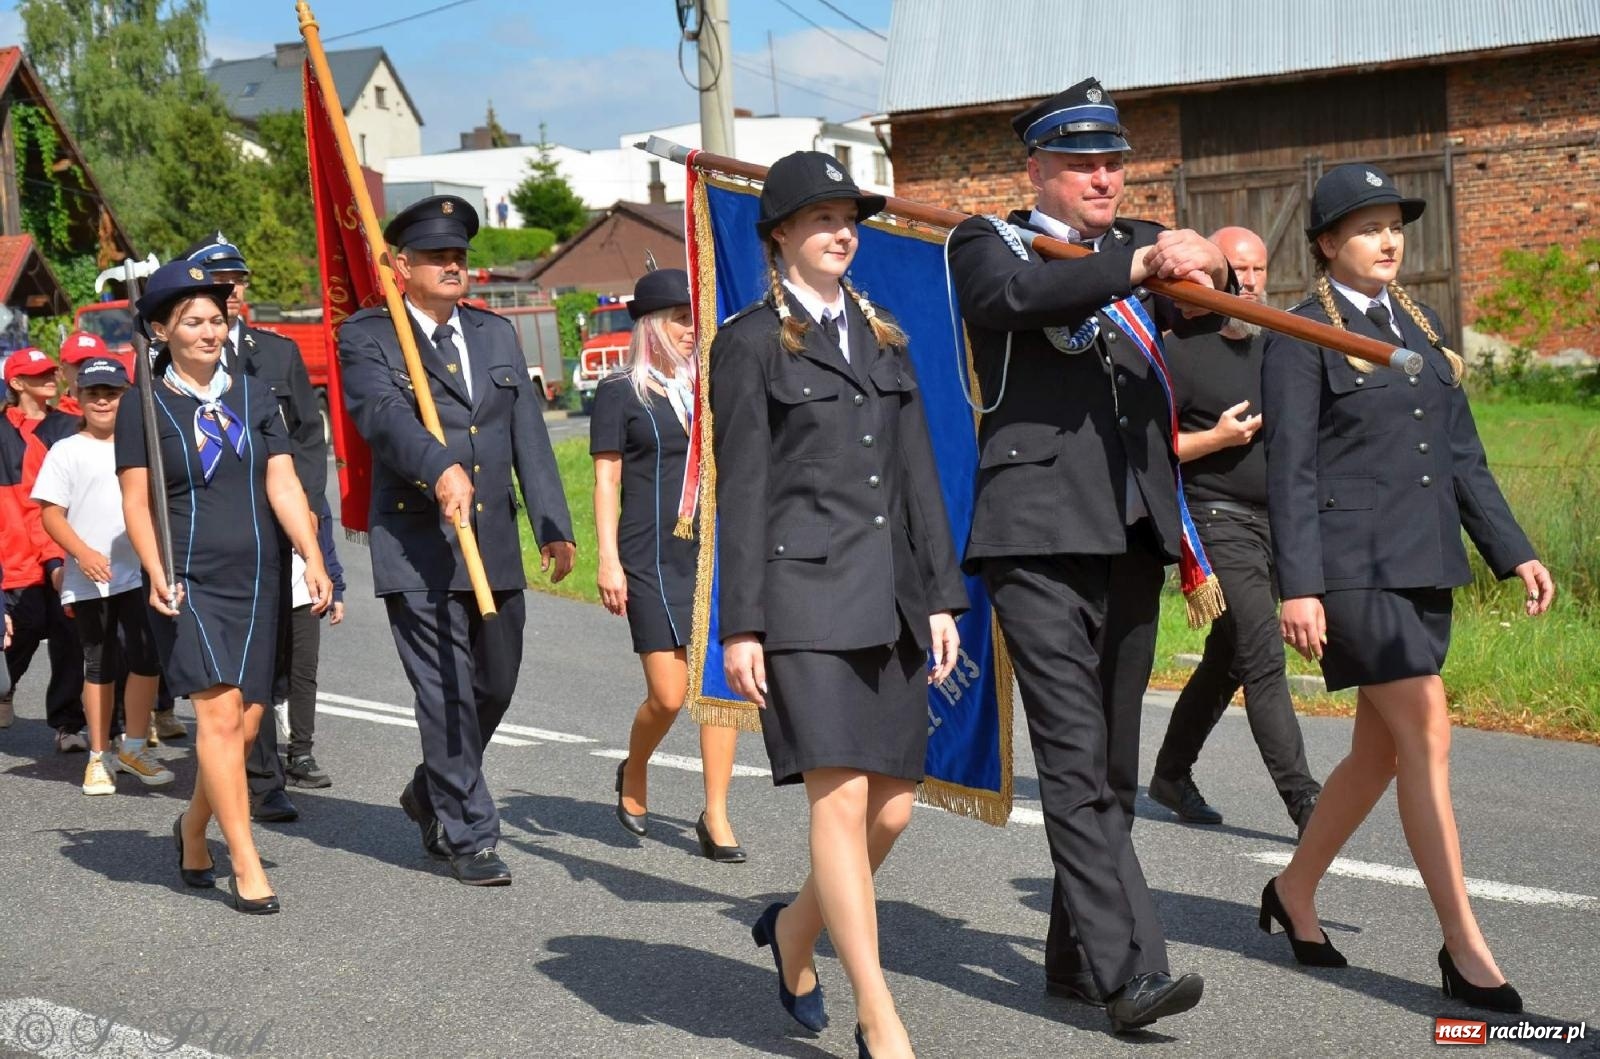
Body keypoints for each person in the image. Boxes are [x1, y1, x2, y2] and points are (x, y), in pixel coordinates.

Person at [946, 77, 1231, 1032]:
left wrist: (1210, 267)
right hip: (1033, 536)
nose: (1104, 176)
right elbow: (1015, 297)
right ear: (1037, 169)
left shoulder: (1137, 242)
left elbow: (1205, 300)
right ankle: (1131, 974)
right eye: (1082, 163)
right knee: (1071, 761)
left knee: (1110, 767)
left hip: (1132, 533)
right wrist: (1141, 260)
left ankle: (1071, 961)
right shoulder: (986, 240)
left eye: (1114, 161)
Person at [1258, 164, 1554, 1011]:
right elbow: (1291, 468)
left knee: (1376, 753)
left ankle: (1293, 890)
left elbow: (1462, 457)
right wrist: (1299, 586)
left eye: (1394, 224)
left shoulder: (1418, 329)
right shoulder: (1299, 331)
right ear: (1325, 245)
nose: (1387, 239)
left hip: (1422, 568)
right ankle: (1465, 946)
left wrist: (1514, 551)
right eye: (1365, 226)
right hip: (1352, 574)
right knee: (1425, 726)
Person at [711, 151, 967, 1059]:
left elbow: (918, 478)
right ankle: (877, 1012)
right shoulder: (746, 342)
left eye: (848, 216)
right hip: (803, 600)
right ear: (779, 233)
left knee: (891, 808)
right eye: (819, 217)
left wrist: (941, 597)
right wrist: (740, 623)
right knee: (842, 796)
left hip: (891, 597)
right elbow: (739, 491)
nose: (840, 230)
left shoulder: (885, 335)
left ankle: (791, 932)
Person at [339, 195, 576, 887]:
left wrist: (552, 524)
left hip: (492, 540)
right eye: (438, 255)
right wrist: (436, 464)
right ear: (400, 265)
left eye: (460, 255)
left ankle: (431, 787)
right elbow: (378, 413)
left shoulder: (494, 335)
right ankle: (468, 831)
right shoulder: (370, 336)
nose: (453, 265)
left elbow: (525, 430)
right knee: (444, 690)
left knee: (494, 681)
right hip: (418, 541)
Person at [117, 260, 331, 914]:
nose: (210, 330)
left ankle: (191, 825)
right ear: (161, 330)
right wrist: (155, 569)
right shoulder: (143, 405)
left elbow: (283, 482)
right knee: (215, 712)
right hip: (187, 577)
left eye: (216, 318)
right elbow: (136, 501)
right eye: (193, 321)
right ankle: (242, 858)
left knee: (246, 719)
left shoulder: (254, 394)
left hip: (260, 573)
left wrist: (313, 555)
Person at [1148, 226, 1322, 836]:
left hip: (1277, 520)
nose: (1244, 282)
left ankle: (1170, 773)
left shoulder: (1278, 343)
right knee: (1261, 657)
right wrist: (1216, 439)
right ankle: (1307, 802)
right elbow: (1146, 447)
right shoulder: (1172, 350)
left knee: (1226, 659)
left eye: (1256, 271)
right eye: (1232, 271)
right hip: (1215, 520)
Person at [592, 268, 742, 860]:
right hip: (649, 553)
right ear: (653, 325)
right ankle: (635, 768)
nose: (691, 330)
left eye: (695, 318)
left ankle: (717, 813)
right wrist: (608, 560)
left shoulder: (712, 389)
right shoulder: (619, 391)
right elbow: (606, 480)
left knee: (720, 688)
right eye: (681, 319)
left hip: (714, 548)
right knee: (670, 695)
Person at [183, 232, 328, 821]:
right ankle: (261, 781)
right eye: (220, 285)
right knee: (247, 658)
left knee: (281, 646)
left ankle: (278, 757)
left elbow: (306, 438)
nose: (232, 292)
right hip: (221, 525)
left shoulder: (277, 353)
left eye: (237, 282)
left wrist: (312, 508)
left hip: (282, 515)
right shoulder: (178, 358)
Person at [34, 355, 173, 795]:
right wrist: (82, 553)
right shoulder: (66, 450)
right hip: (90, 575)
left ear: (126, 397)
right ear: (78, 398)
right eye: (93, 393)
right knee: (99, 663)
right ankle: (99, 755)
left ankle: (133, 746)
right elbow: (51, 515)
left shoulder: (144, 446)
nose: (102, 401)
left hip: (141, 570)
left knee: (148, 659)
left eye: (111, 393)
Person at [0, 347, 86, 751]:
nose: (49, 379)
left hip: (61, 547)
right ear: (16, 383)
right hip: (12, 556)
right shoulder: (1, 430)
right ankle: (4, 689)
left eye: (51, 372)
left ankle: (68, 724)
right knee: (25, 627)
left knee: (69, 634)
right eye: (37, 375)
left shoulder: (71, 425)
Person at [273, 511, 347, 789]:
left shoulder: (308, 479)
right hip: (263, 584)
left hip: (306, 587)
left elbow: (324, 532)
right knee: (262, 675)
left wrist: (336, 586)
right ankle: (262, 763)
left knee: (304, 673)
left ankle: (301, 755)